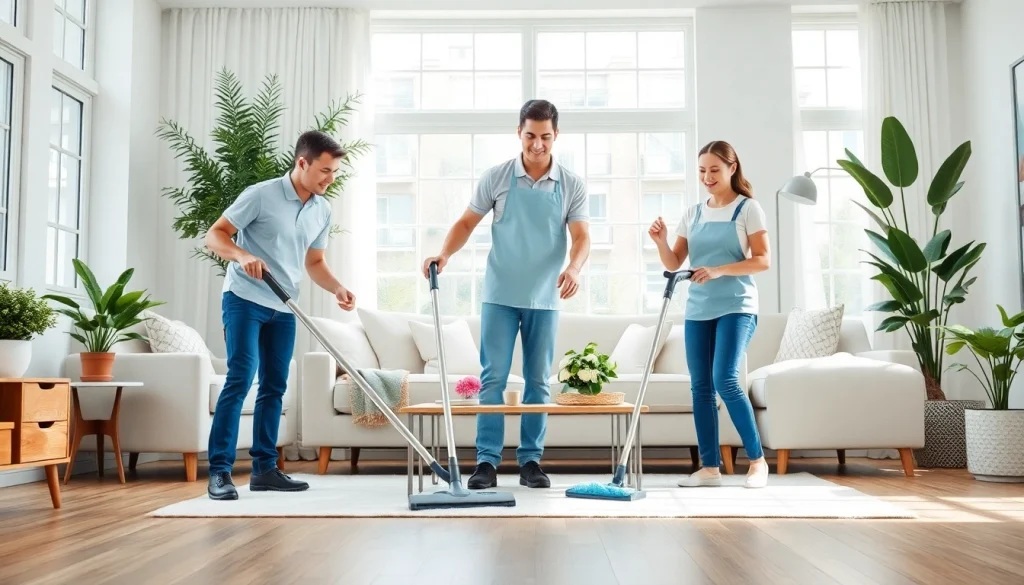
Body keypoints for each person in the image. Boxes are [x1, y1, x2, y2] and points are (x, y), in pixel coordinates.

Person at [422, 99, 590, 490]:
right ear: (519, 132)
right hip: (499, 294)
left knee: (538, 381)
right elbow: (466, 222)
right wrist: (444, 253)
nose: (537, 145)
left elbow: (581, 237)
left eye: (545, 137)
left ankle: (531, 462)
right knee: (492, 378)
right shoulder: (496, 177)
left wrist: (575, 268)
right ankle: (487, 463)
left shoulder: (571, 184)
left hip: (546, 298)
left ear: (556, 136)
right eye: (530, 135)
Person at [204, 130, 357, 500]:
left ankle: (265, 469)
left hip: (284, 304)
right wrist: (242, 256)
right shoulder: (261, 194)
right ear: (302, 163)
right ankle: (220, 472)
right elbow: (215, 234)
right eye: (324, 170)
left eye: (334, 172)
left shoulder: (321, 208)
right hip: (244, 298)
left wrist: (336, 287)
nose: (329, 178)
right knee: (241, 378)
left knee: (275, 385)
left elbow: (315, 261)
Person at [648, 140, 771, 489]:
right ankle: (710, 468)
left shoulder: (748, 209)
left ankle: (757, 462)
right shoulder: (694, 212)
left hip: (737, 306)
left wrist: (719, 270)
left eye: (714, 170)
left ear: (732, 169)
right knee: (700, 387)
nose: (707, 177)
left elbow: (763, 259)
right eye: (702, 170)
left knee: (725, 379)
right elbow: (675, 264)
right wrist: (660, 241)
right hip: (699, 309)